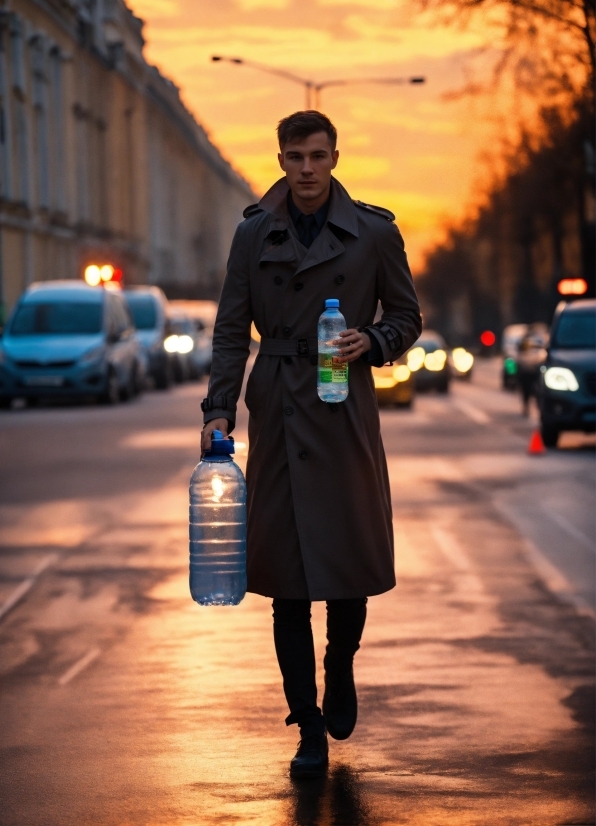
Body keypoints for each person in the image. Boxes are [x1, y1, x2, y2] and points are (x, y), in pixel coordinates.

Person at [201, 111, 421, 778]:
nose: (306, 169)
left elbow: (408, 317)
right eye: (295, 157)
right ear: (280, 158)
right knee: (285, 582)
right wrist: (218, 410)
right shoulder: (252, 235)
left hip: (342, 405)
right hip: (278, 408)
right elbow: (231, 331)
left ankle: (342, 668)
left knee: (345, 560)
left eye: (317, 156)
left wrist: (372, 342)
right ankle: (308, 728)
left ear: (333, 157)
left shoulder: (374, 232)